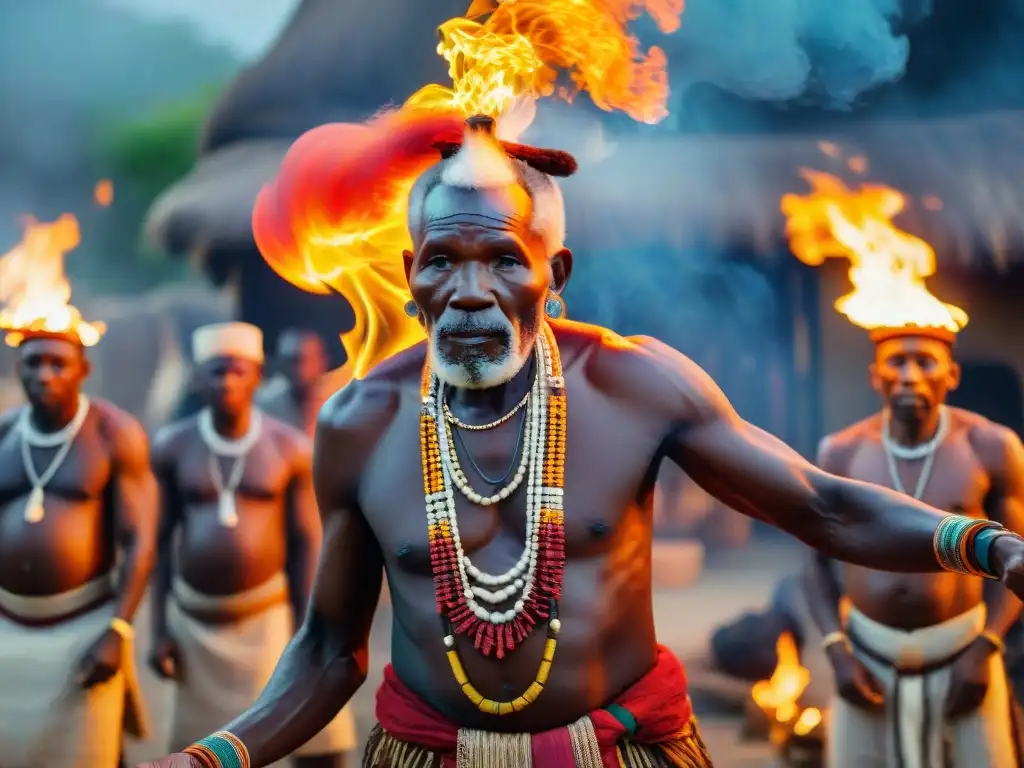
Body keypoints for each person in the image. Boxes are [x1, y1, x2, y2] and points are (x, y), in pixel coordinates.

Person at [138, 111, 1024, 768]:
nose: (472, 291)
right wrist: (215, 755)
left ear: (552, 273)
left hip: (626, 751)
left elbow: (822, 504)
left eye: (504, 261)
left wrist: (986, 545)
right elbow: (331, 650)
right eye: (444, 261)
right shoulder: (360, 421)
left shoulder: (634, 385)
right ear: (410, 277)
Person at [802, 324, 1024, 767]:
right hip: (867, 658)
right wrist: (837, 650)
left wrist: (986, 648)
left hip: (963, 652)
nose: (908, 375)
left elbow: (1017, 560)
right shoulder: (840, 453)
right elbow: (815, 565)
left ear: (952, 374)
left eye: (924, 361)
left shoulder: (991, 447)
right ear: (874, 375)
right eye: (895, 362)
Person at [148, 322, 355, 768]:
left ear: (257, 376)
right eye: (217, 372)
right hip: (195, 625)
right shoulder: (172, 446)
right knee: (198, 755)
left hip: (269, 618)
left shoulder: (288, 448)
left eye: (238, 371)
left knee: (313, 741)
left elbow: (305, 545)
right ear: (199, 379)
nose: (227, 382)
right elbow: (159, 543)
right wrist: (159, 629)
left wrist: (307, 628)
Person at [0, 327, 156, 767]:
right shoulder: (6, 432)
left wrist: (118, 630)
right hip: (7, 623)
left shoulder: (113, 433)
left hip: (83, 626)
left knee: (91, 752)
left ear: (83, 371)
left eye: (58, 364)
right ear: (18, 368)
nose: (44, 375)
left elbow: (139, 539)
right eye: (33, 363)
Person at [256, 329, 329, 436]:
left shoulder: (339, 402)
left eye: (302, 360)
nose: (296, 369)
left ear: (321, 361)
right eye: (288, 362)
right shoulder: (265, 403)